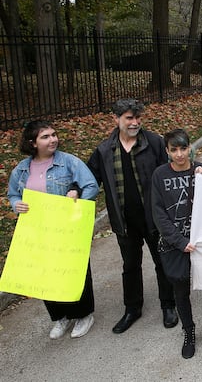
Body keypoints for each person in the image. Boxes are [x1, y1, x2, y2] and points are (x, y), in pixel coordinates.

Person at [87, 98, 177, 334]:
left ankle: (169, 305)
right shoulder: (105, 150)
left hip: (154, 218)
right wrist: (74, 191)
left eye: (138, 118)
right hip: (124, 220)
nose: (135, 122)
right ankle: (132, 309)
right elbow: (89, 180)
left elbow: (172, 170)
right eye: (129, 118)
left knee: (161, 261)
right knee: (130, 265)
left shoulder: (156, 143)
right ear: (115, 119)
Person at [7, 120, 99, 339]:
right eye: (45, 137)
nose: (53, 139)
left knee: (74, 271)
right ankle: (60, 317)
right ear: (33, 143)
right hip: (39, 231)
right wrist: (15, 204)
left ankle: (83, 314)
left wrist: (76, 200)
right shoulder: (21, 170)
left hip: (66, 229)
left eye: (54, 135)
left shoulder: (68, 162)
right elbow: (13, 194)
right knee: (46, 274)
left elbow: (91, 185)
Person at [151, 129, 202, 359]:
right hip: (175, 245)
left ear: (190, 147)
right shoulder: (159, 175)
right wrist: (180, 241)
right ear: (167, 151)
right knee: (180, 289)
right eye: (174, 150)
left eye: (183, 148)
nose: (179, 154)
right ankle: (188, 332)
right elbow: (159, 214)